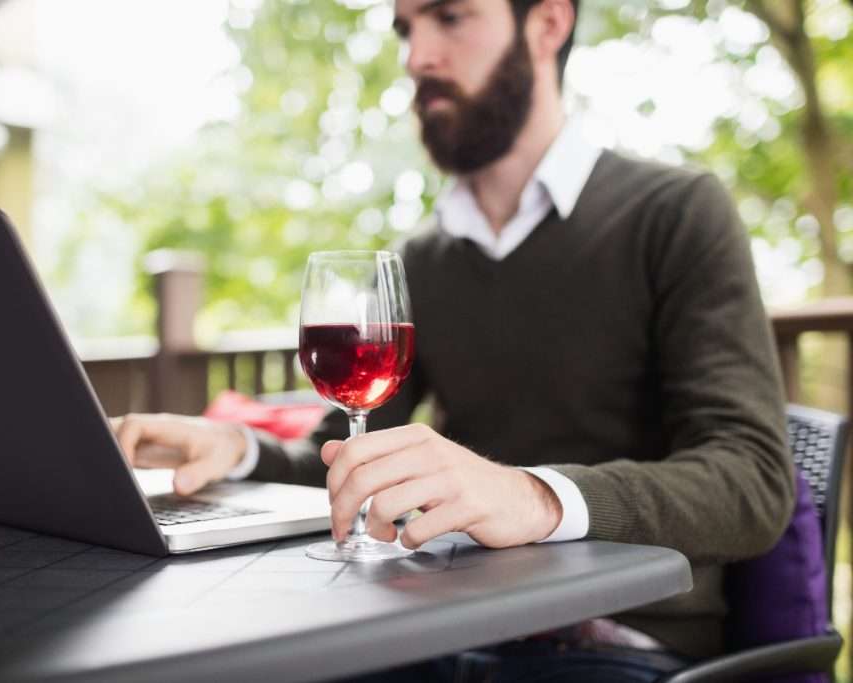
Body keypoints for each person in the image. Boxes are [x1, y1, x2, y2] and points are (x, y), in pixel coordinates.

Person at [112, 0, 794, 679]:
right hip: (435, 627)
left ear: (548, 23)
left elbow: (753, 479)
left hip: (616, 645)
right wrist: (235, 449)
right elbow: (345, 455)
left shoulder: (676, 214)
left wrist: (532, 496)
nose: (416, 56)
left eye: (450, 18)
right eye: (408, 30)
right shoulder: (423, 261)